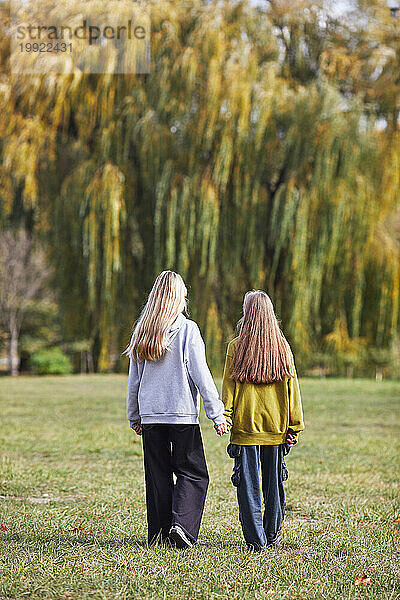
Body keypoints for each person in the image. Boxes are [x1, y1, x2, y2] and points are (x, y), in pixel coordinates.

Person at [124, 270, 228, 548]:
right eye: (184, 293)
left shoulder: (142, 329)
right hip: (181, 415)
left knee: (157, 474)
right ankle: (181, 526)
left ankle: (159, 532)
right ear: (178, 297)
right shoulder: (188, 329)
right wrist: (216, 413)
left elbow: (134, 380)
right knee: (193, 472)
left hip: (151, 416)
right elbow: (201, 375)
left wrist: (134, 415)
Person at [222, 290, 304, 552]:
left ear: (247, 314)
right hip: (277, 427)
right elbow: (293, 389)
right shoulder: (282, 347)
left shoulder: (236, 347)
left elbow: (229, 389)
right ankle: (272, 532)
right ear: (270, 315)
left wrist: (224, 416)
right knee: (273, 483)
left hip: (246, 427)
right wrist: (294, 425)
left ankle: (256, 541)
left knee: (248, 487)